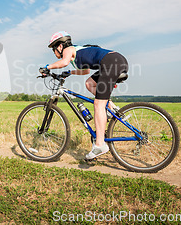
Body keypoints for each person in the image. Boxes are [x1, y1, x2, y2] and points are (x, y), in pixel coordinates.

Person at [39, 31, 128, 160]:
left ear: (59, 46)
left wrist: (48, 67)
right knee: (89, 83)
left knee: (98, 104)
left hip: (111, 62)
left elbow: (63, 62)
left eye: (54, 49)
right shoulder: (77, 53)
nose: (54, 53)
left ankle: (100, 145)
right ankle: (111, 108)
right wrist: (70, 72)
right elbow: (85, 71)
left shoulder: (68, 49)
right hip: (114, 61)